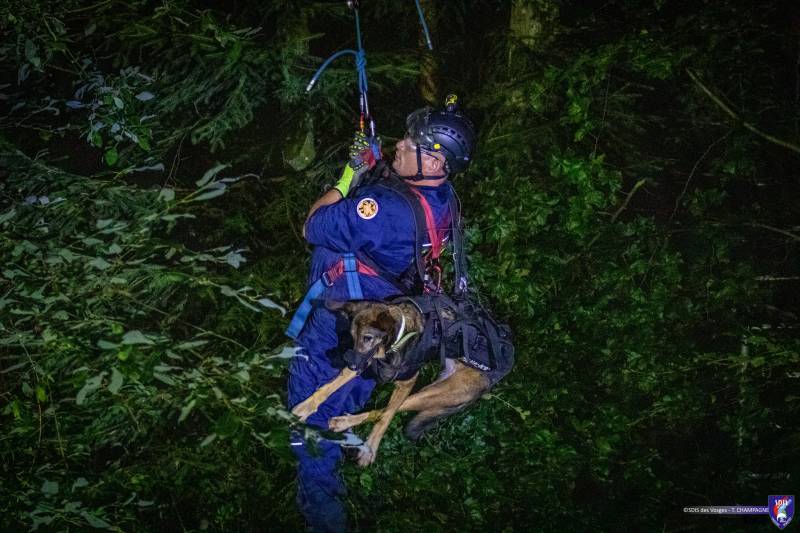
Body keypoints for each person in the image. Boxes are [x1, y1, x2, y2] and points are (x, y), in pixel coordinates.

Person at [285, 95, 475, 532]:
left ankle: (326, 519)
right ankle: (341, 460)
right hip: (383, 331)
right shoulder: (443, 198)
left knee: (307, 428)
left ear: (435, 161)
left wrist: (352, 172)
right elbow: (396, 200)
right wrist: (375, 164)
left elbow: (313, 224)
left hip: (340, 334)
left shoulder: (382, 212)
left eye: (411, 144)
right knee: (339, 407)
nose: (400, 145)